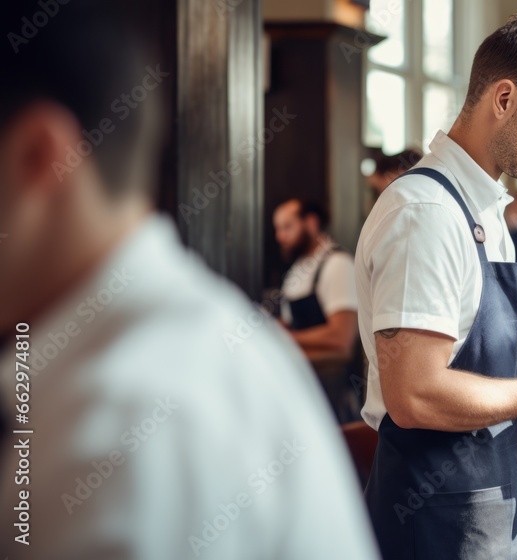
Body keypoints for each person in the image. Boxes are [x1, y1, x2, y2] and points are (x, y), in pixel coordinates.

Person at [0, 2, 378, 558]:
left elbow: (344, 340)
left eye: (288, 222)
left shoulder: (129, 418)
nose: (280, 232)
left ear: (35, 158)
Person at [354, 10, 517, 559]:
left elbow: (448, 368)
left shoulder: (484, 208)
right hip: (436, 518)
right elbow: (415, 395)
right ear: (503, 100)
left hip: (486, 503)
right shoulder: (425, 212)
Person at [273, 198, 358, 354]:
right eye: (277, 229)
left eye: (287, 227)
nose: (280, 236)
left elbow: (342, 337)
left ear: (311, 223)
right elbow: (289, 322)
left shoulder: (337, 263)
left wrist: (286, 338)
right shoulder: (296, 268)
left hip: (330, 376)